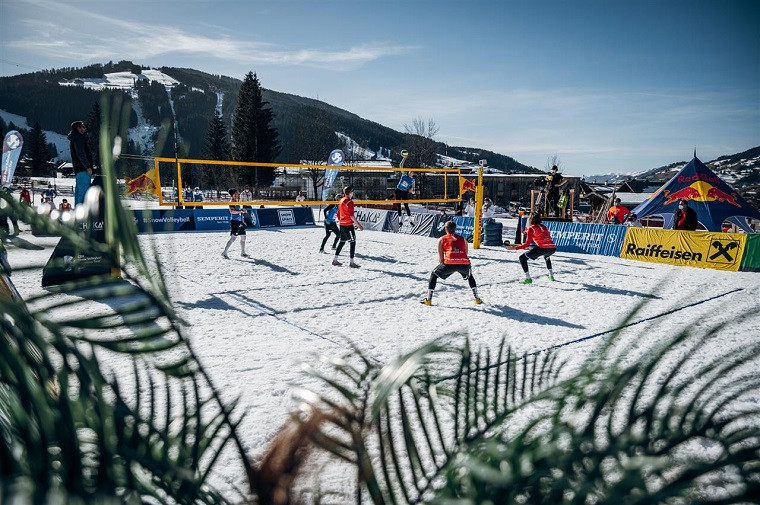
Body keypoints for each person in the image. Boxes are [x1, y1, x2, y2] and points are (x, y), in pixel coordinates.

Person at [421, 220, 481, 306]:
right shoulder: (463, 239)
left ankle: (428, 300)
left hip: (449, 263)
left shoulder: (442, 239)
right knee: (470, 276)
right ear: (455, 229)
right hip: (464, 263)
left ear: (445, 228)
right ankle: (477, 299)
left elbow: (441, 259)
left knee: (434, 274)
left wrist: (446, 269)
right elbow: (465, 254)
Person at [507, 213, 556, 284]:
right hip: (552, 248)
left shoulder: (531, 228)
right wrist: (527, 232)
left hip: (542, 248)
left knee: (522, 258)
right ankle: (551, 276)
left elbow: (527, 244)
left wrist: (515, 248)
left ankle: (528, 278)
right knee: (546, 256)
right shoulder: (544, 226)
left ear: (530, 219)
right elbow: (540, 233)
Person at [332, 185, 363, 268]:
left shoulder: (341, 200)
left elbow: (338, 214)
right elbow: (351, 216)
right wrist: (359, 225)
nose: (353, 193)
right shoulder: (350, 202)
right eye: (352, 192)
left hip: (341, 224)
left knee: (342, 241)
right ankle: (352, 262)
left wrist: (341, 221)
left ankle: (335, 260)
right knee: (353, 242)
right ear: (350, 193)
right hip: (348, 225)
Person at [68, 120, 94, 205]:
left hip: (79, 169)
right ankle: (82, 214)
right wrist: (88, 166)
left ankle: (78, 213)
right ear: (78, 128)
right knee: (84, 192)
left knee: (79, 193)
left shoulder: (75, 138)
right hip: (83, 169)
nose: (85, 128)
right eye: (83, 126)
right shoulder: (78, 138)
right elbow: (80, 153)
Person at [222, 188, 249, 259]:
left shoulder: (236, 201)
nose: (238, 194)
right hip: (234, 222)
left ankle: (243, 252)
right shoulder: (232, 201)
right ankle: (224, 252)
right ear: (233, 194)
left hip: (240, 221)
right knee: (233, 238)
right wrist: (241, 211)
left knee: (243, 237)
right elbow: (232, 211)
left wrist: (242, 210)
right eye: (236, 193)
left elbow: (237, 210)